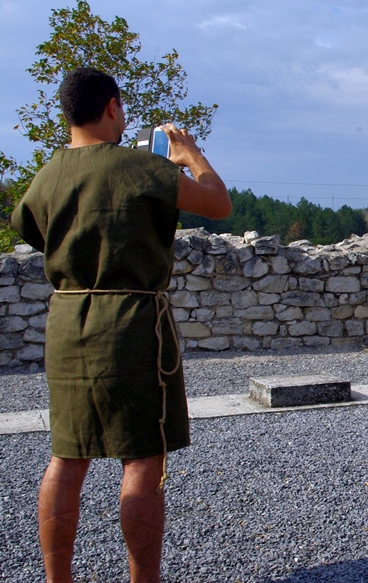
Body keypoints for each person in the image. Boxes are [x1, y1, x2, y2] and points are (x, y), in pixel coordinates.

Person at [11, 68, 231, 583]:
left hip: (66, 320)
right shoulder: (139, 167)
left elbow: (31, 227)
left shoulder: (47, 175)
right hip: (131, 323)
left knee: (67, 456)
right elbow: (218, 202)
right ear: (112, 107)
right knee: (141, 461)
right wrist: (190, 154)